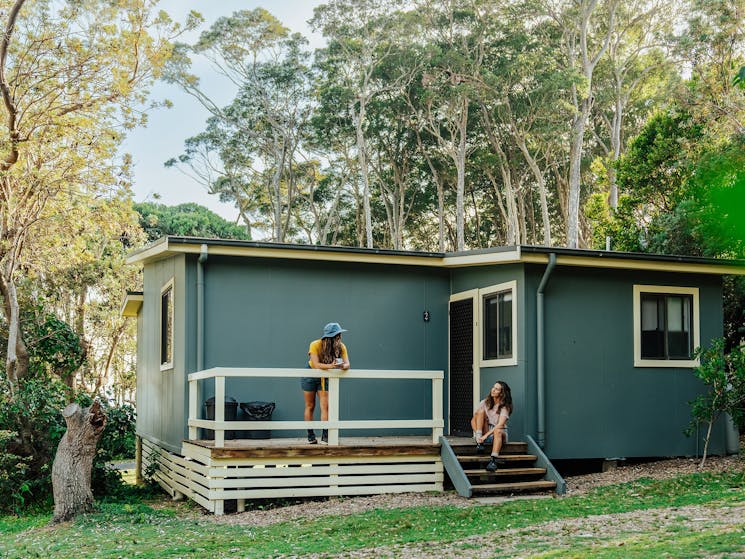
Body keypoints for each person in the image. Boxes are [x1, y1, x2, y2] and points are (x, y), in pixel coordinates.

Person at [301, 322, 350, 444]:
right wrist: (332, 366)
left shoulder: (341, 346)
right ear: (330, 336)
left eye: (339, 334)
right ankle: (310, 435)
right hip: (311, 374)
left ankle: (325, 436)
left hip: (326, 375)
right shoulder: (315, 344)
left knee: (325, 406)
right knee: (310, 405)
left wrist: (342, 366)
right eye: (337, 335)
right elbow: (316, 365)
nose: (339, 337)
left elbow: (348, 363)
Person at [471, 380, 512, 472]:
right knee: (479, 412)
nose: (493, 390)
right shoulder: (485, 402)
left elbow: (500, 425)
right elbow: (474, 420)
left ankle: (493, 460)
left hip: (500, 433)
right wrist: (479, 437)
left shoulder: (505, 407)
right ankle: (479, 443)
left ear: (501, 394)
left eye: (497, 389)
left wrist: (485, 436)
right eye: (493, 387)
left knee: (498, 430)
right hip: (486, 431)